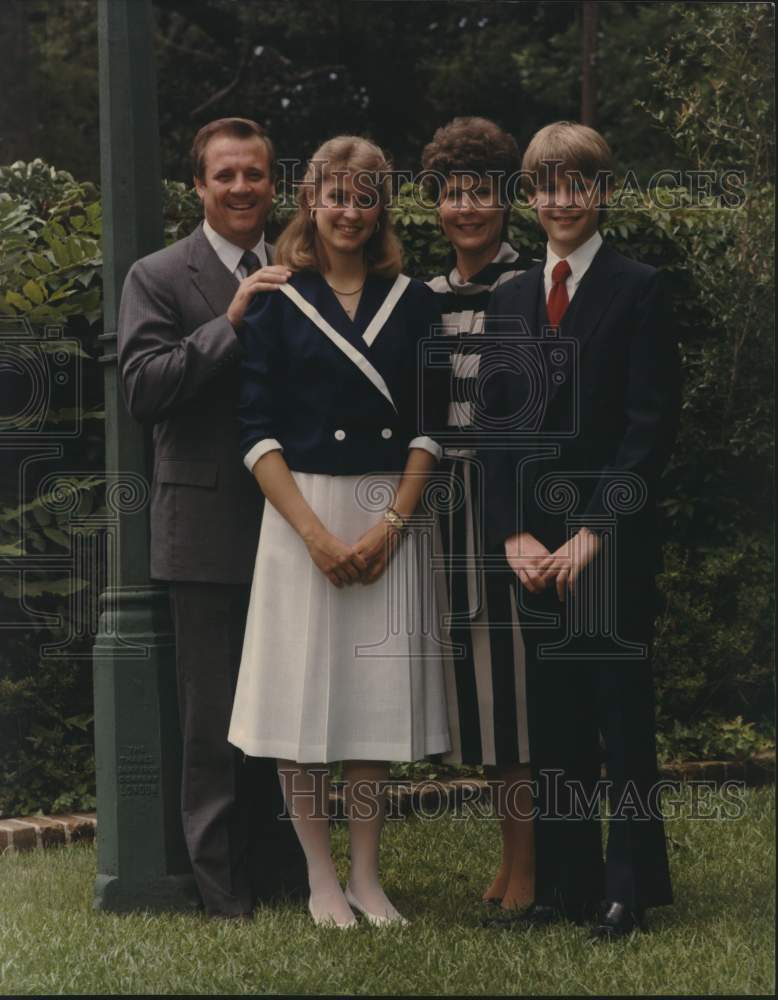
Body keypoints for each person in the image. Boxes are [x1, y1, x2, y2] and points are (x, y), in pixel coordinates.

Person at [227, 135, 451, 929]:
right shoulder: (278, 298)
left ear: (381, 206)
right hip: (301, 514)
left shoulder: (414, 298)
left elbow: (431, 428)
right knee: (299, 698)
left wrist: (392, 525)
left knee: (372, 699)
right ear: (310, 200)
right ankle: (320, 876)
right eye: (335, 196)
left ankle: (366, 875)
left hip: (390, 515)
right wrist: (316, 536)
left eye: (364, 197)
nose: (348, 212)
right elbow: (255, 433)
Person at [481, 121, 680, 938]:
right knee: (555, 719)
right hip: (534, 552)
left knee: (619, 714)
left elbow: (651, 425)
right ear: (530, 199)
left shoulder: (640, 288)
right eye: (546, 186)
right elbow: (495, 430)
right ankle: (565, 885)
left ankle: (627, 891)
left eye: (577, 184)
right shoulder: (510, 297)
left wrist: (597, 527)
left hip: (610, 541)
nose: (561, 200)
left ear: (600, 192)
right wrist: (510, 536)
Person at [117, 117, 306, 918]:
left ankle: (290, 873)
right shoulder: (158, 275)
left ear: (274, 184)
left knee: (286, 709)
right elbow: (144, 388)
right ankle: (222, 888)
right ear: (197, 186)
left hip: (296, 524)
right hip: (202, 531)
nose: (239, 189)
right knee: (212, 721)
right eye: (224, 175)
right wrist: (228, 322)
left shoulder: (302, 270)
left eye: (254, 175)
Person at [421, 117, 537, 918]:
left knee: (516, 695)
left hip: (509, 509)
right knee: (479, 699)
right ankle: (507, 860)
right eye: (454, 193)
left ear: (506, 200)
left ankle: (528, 870)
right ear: (435, 204)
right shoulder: (422, 300)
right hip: (441, 512)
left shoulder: (527, 287)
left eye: (483, 192)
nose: (468, 208)